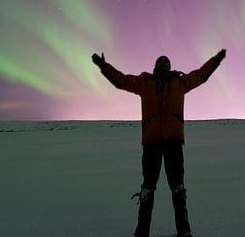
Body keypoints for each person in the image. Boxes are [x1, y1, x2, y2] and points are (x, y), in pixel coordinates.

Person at [92, 49, 227, 237]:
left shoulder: (180, 83)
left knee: (178, 187)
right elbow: (121, 80)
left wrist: (216, 60)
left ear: (170, 67)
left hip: (173, 142)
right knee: (148, 187)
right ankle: (142, 232)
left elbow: (201, 75)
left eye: (166, 62)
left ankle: (184, 230)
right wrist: (104, 67)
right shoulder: (144, 83)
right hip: (151, 143)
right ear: (155, 66)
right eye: (160, 62)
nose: (163, 64)